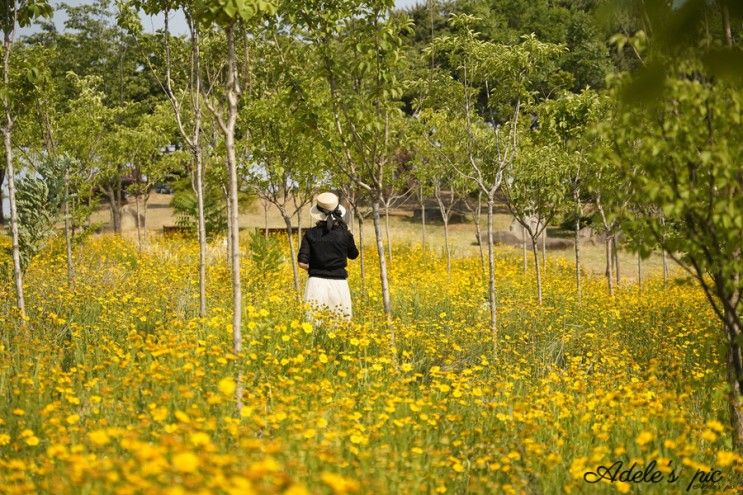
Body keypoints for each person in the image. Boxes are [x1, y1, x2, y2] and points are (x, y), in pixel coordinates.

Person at [298, 192, 359, 320]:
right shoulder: (345, 234)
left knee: (314, 324)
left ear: (318, 213)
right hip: (339, 284)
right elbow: (353, 255)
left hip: (315, 284)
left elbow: (302, 262)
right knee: (341, 323)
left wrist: (315, 269)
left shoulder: (310, 234)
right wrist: (348, 235)